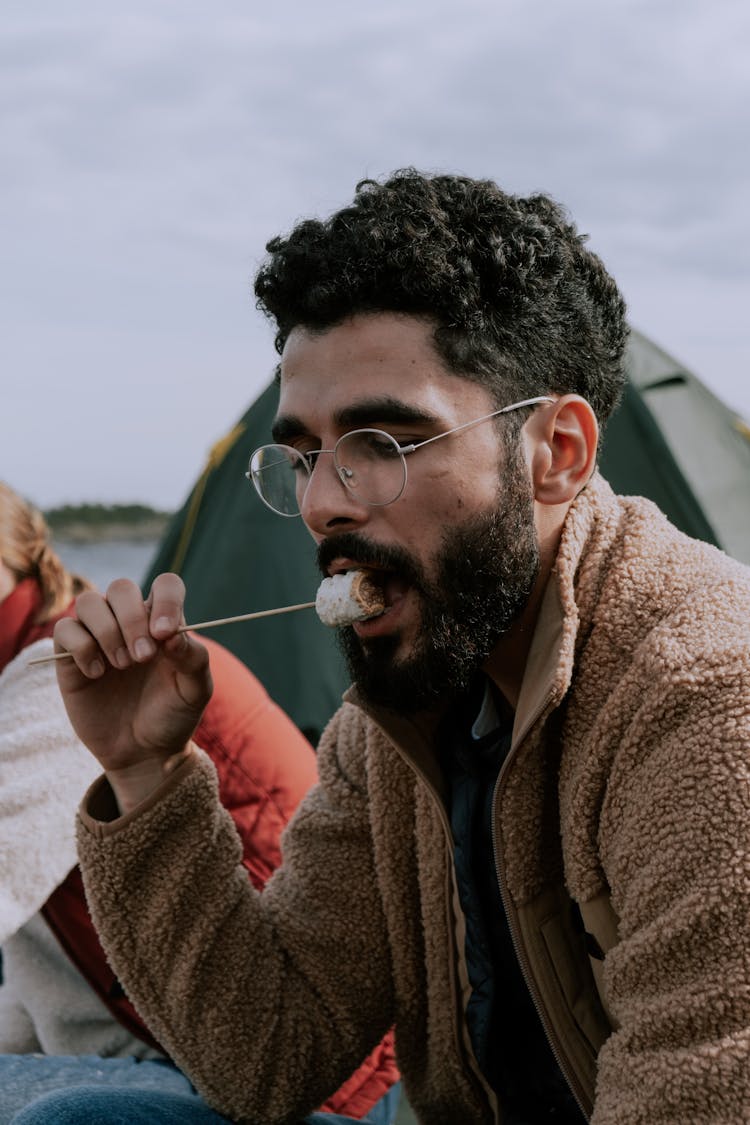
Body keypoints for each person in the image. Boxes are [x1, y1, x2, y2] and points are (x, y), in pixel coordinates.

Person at [38, 170, 749, 1124]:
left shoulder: (706, 702)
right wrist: (145, 772)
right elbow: (267, 1055)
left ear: (558, 453)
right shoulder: (405, 707)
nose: (325, 501)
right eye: (304, 454)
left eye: (382, 439)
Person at [0, 481, 398, 1123]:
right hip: (199, 1046)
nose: (321, 500)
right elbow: (35, 976)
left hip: (323, 1079)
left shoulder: (57, 674)